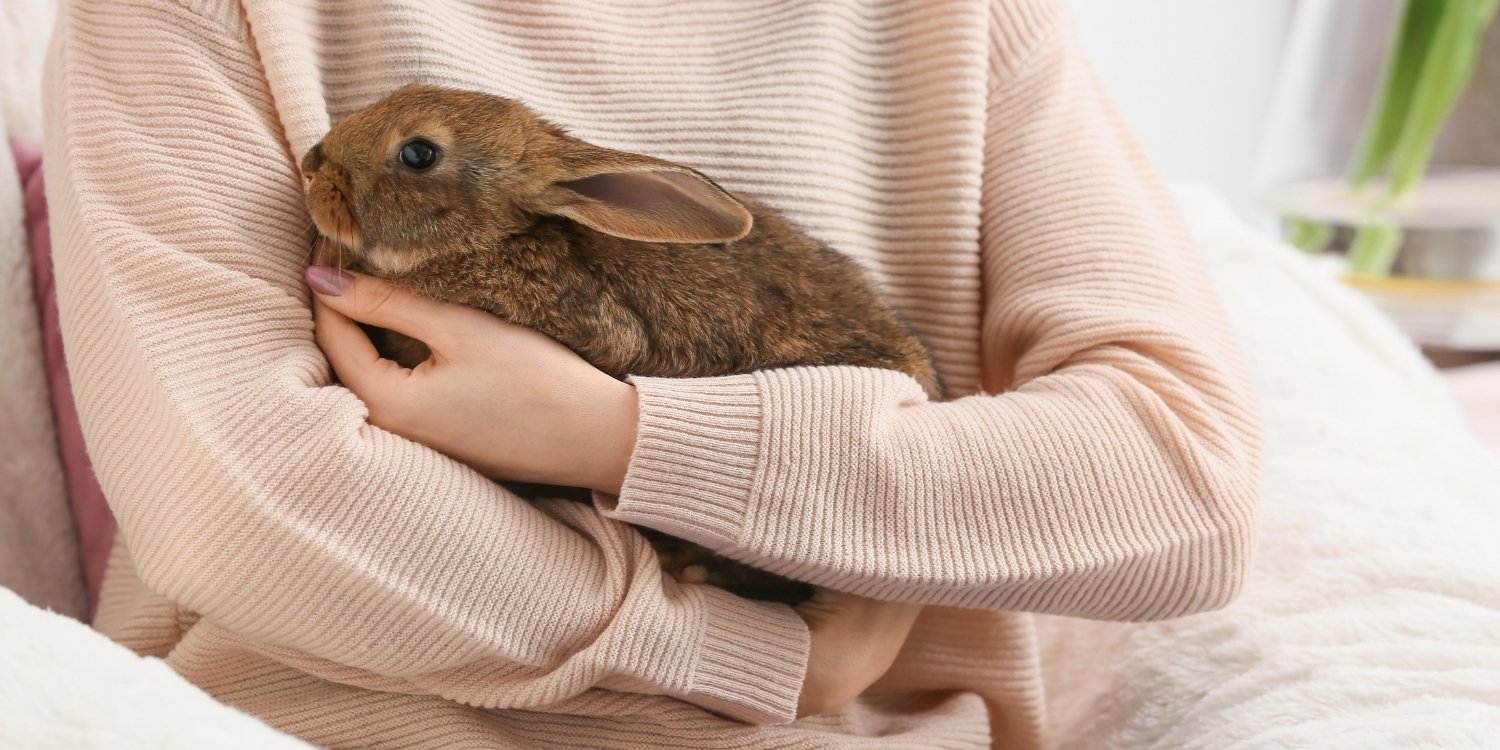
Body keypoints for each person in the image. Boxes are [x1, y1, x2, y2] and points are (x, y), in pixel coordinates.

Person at [46, 0, 1261, 747]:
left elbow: (1182, 482)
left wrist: (622, 440)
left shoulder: (960, 18)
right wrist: (772, 656)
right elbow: (248, 509)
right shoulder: (193, 11)